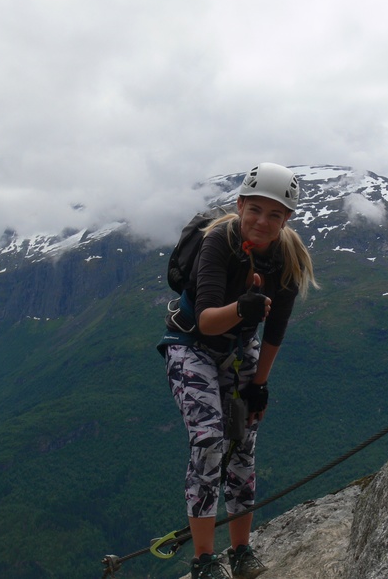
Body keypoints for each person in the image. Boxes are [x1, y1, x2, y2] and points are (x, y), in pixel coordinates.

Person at [161, 163, 317, 579]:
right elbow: (207, 322)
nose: (262, 221)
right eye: (256, 210)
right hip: (190, 345)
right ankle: (204, 561)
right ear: (240, 204)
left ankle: (242, 552)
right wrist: (243, 309)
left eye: (275, 214)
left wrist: (259, 385)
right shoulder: (218, 242)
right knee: (209, 440)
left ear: (287, 219)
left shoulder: (286, 258)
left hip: (237, 349)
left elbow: (275, 330)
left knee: (243, 444)